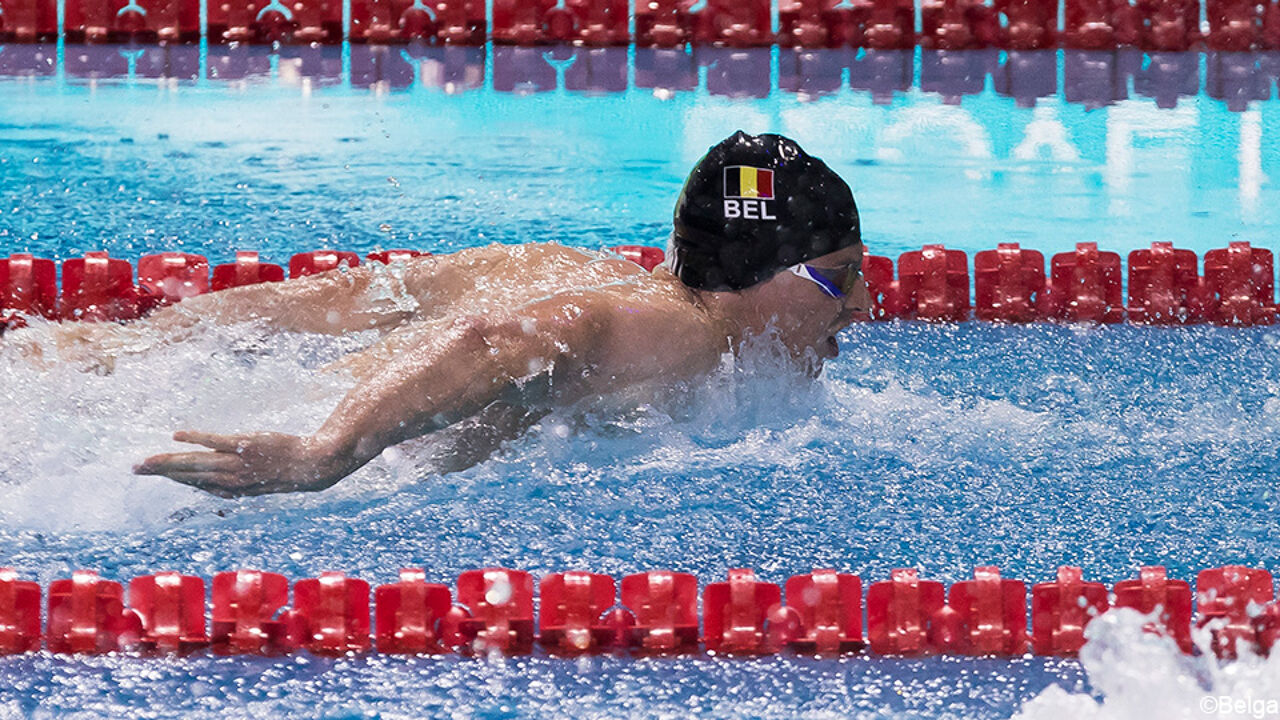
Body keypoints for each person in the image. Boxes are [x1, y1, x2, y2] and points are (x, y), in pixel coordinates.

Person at [26, 131, 869, 497]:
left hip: (225, 390)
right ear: (757, 276)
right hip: (286, 433)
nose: (861, 306)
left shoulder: (560, 266)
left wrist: (119, 345)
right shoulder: (689, 336)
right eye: (838, 279)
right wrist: (326, 452)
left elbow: (332, 300)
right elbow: (498, 341)